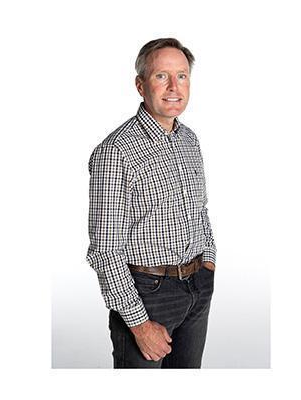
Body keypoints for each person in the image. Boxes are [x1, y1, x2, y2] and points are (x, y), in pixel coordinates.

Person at [86, 38, 217, 368]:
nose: (174, 87)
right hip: (147, 295)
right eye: (162, 76)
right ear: (140, 85)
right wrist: (139, 324)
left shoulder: (189, 140)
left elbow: (200, 211)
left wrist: (208, 264)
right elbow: (105, 249)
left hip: (197, 287)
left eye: (182, 76)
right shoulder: (115, 152)